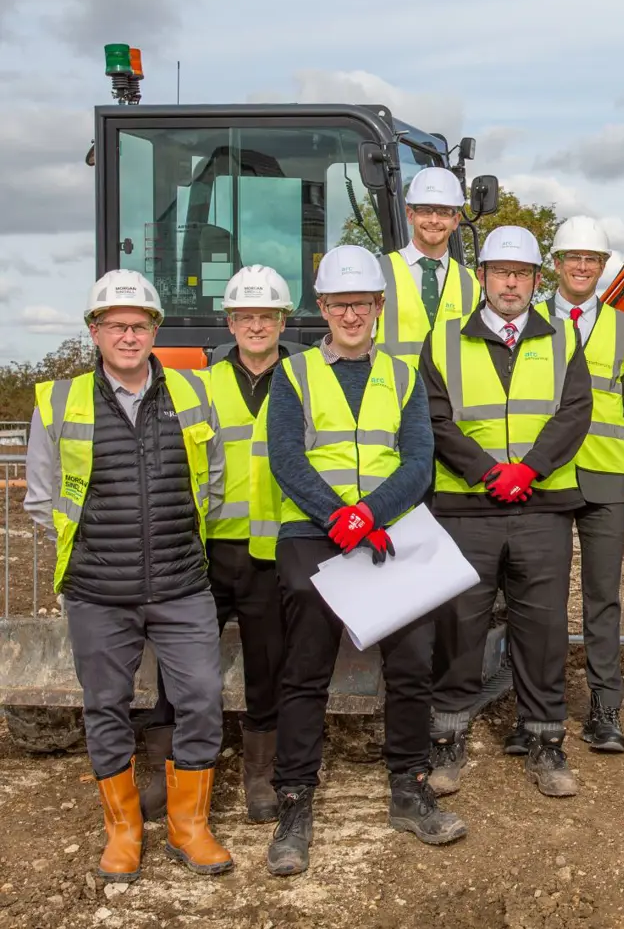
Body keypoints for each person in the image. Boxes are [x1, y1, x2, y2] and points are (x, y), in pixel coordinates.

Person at [25, 270, 232, 881]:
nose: (128, 335)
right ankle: (124, 829)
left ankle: (189, 825)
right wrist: (95, 545)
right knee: (105, 706)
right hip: (97, 592)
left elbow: (212, 484)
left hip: (181, 585)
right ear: (95, 332)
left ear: (154, 332)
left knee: (201, 699)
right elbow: (42, 499)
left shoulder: (194, 395)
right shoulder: (58, 401)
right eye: (116, 325)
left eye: (139, 325)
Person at [264, 245, 465, 876]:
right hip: (315, 534)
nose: (352, 314)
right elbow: (286, 458)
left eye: (363, 303)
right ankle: (295, 798)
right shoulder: (292, 373)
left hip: (388, 532)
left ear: (379, 307)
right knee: (303, 670)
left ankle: (409, 786)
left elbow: (418, 460)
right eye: (339, 303)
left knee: (410, 665)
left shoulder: (404, 376)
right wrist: (336, 517)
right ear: (323, 307)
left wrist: (370, 515)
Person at [421, 226, 593, 798]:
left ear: (536, 281)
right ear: (483, 279)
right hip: (467, 508)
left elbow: (574, 413)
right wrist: (488, 471)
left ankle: (545, 741)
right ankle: (446, 740)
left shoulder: (564, 340)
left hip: (541, 509)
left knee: (542, 628)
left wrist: (531, 469)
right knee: (459, 626)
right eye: (500, 272)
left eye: (521, 273)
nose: (511, 282)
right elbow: (435, 418)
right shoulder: (444, 341)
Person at [141, 266, 296, 826]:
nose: (256, 326)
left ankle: (261, 775)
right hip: (203, 549)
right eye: (246, 316)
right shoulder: (198, 382)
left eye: (267, 316)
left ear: (283, 320)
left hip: (271, 553)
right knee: (180, 668)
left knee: (267, 666)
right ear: (229, 322)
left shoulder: (302, 379)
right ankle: (164, 770)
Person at [545, 215, 624, 755]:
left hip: (606, 476)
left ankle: (605, 706)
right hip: (543, 479)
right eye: (573, 258)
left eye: (593, 259)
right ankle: (536, 710)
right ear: (557, 264)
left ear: (604, 268)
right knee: (538, 598)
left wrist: (611, 443)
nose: (583, 266)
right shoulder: (530, 319)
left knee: (602, 598)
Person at [376, 167, 480, 366]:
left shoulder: (472, 283)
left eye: (443, 212)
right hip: (392, 393)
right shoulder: (378, 272)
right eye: (425, 210)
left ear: (456, 220)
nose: (434, 220)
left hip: (450, 395)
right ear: (410, 214)